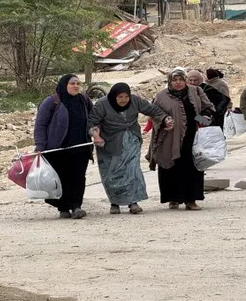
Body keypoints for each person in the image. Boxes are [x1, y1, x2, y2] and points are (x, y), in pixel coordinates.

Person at [89, 83, 173, 215]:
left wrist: (165, 119)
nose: (123, 100)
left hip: (131, 139)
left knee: (132, 170)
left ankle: (133, 202)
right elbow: (92, 121)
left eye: (126, 96)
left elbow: (153, 110)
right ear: (113, 96)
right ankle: (114, 203)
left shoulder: (135, 101)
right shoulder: (102, 104)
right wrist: (96, 135)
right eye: (120, 97)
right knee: (112, 173)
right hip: (109, 143)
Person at [148, 68, 215, 211]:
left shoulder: (195, 91)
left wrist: (202, 119)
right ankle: (173, 198)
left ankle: (191, 200)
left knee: (192, 168)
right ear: (170, 81)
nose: (178, 83)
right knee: (171, 167)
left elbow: (208, 108)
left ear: (185, 80)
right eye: (174, 80)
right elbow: (154, 114)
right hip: (170, 138)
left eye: (181, 79)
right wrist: (164, 120)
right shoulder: (161, 96)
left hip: (192, 138)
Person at [34, 74, 93, 219]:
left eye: (78, 83)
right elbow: (40, 125)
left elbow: (93, 119)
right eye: (72, 83)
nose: (76, 86)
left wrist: (96, 133)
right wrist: (40, 145)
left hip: (80, 147)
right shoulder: (52, 102)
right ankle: (63, 207)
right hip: (57, 149)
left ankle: (76, 206)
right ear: (64, 85)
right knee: (60, 178)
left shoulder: (84, 100)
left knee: (78, 177)